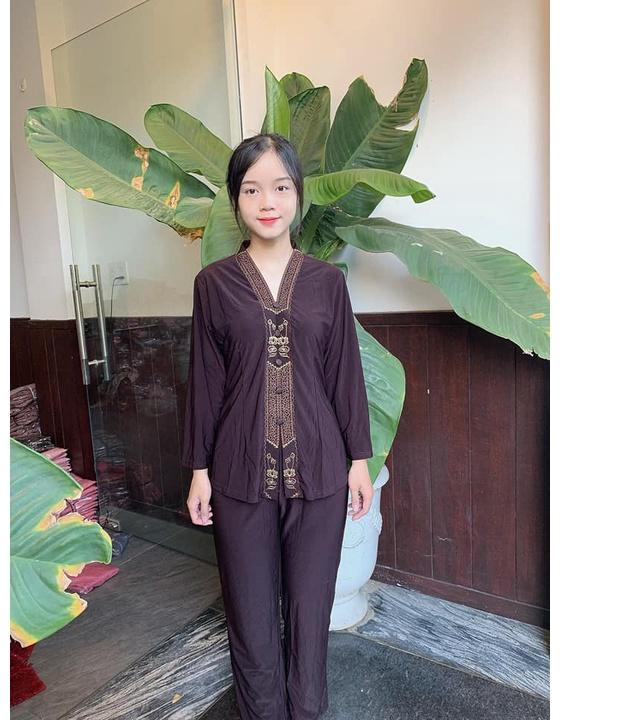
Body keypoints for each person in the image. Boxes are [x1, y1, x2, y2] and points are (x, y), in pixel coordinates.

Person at [182, 133, 374, 720]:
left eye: (280, 187)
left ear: (297, 194)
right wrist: (199, 470)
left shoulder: (327, 283)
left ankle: (307, 712)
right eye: (252, 189)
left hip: (320, 475)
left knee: (311, 616)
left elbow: (345, 374)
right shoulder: (214, 285)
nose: (268, 201)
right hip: (238, 476)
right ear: (235, 200)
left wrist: (359, 460)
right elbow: (205, 383)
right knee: (250, 616)